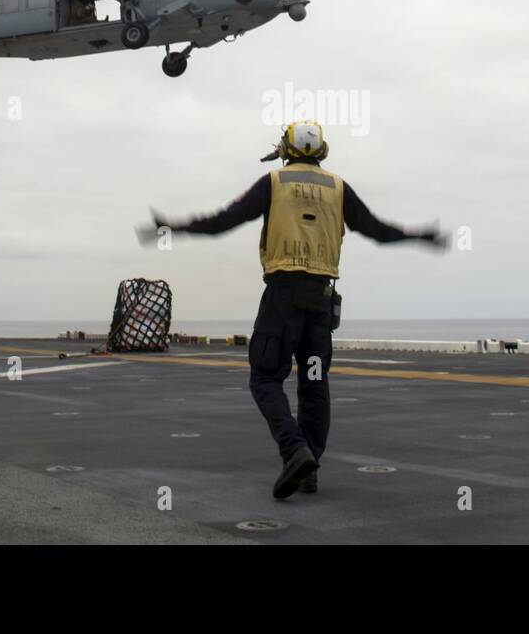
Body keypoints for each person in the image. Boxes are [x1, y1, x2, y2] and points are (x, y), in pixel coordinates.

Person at [138, 121, 447, 499]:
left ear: (286, 148)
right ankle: (309, 466)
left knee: (265, 378)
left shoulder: (274, 183)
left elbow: (223, 221)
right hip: (319, 302)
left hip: (282, 299)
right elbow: (377, 230)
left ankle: (294, 450)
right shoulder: (338, 187)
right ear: (322, 150)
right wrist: (420, 235)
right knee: (314, 382)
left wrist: (175, 226)